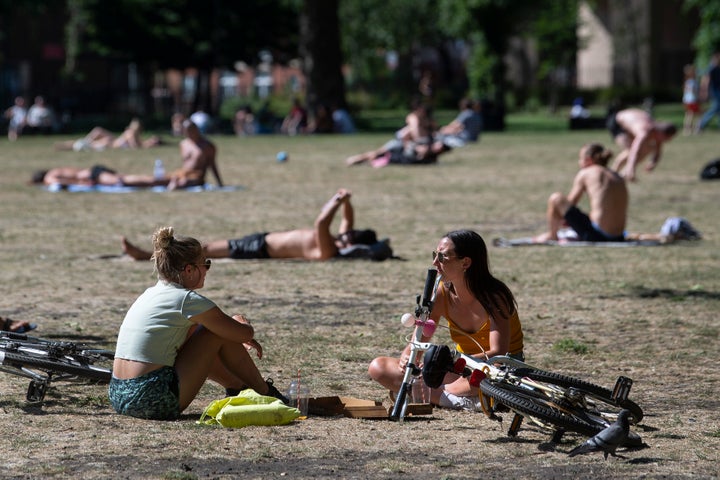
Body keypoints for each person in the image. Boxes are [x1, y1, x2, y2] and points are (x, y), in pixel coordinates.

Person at [109, 226, 288, 420]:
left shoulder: (149, 294)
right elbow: (243, 334)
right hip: (152, 399)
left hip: (119, 395)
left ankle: (237, 387)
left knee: (198, 331)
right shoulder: (187, 300)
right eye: (206, 264)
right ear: (189, 270)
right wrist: (240, 320)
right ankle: (266, 392)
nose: (207, 270)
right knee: (213, 332)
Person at [368, 229, 524, 411]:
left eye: (442, 257)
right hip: (460, 368)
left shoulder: (494, 296)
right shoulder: (442, 292)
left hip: (495, 370)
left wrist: (449, 363)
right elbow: (423, 334)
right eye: (435, 255)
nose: (435, 263)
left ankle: (443, 395)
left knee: (471, 381)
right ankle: (451, 396)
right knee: (378, 367)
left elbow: (498, 353)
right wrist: (409, 354)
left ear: (465, 262)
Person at [121, 189, 390, 262]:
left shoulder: (328, 248)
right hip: (261, 239)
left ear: (354, 244)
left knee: (204, 249)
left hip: (258, 249)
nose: (348, 232)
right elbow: (347, 221)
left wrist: (336, 200)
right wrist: (347, 202)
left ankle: (148, 255)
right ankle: (154, 253)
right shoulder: (338, 240)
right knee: (205, 248)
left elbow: (322, 221)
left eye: (352, 235)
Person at [533, 143, 628, 243]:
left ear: (588, 160)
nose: (579, 162)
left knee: (556, 199)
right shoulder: (616, 175)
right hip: (619, 236)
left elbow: (570, 203)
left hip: (597, 235)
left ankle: (552, 236)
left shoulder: (586, 172)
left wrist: (560, 219)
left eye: (580, 158)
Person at [346, 99, 442, 166]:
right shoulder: (413, 118)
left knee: (381, 154)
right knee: (379, 153)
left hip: (410, 144)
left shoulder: (427, 120)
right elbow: (413, 135)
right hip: (400, 142)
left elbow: (435, 131)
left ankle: (360, 160)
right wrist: (417, 145)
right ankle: (357, 159)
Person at [607, 108, 677, 182]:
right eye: (668, 138)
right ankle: (612, 173)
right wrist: (631, 169)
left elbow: (658, 149)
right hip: (617, 123)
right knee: (630, 150)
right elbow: (635, 150)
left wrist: (653, 163)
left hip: (629, 122)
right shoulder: (644, 131)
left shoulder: (657, 131)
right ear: (661, 133)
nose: (669, 140)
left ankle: (622, 174)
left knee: (646, 149)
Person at [54, 118, 162, 151]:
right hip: (107, 144)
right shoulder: (131, 133)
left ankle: (61, 145)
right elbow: (135, 147)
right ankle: (61, 146)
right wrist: (148, 144)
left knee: (84, 142)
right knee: (81, 144)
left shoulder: (133, 134)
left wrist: (149, 142)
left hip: (109, 143)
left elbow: (137, 144)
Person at [698, 51, 720, 132]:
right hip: (714, 92)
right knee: (715, 108)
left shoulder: (717, 68)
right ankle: (701, 123)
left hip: (718, 92)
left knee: (718, 109)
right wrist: (704, 92)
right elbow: (706, 80)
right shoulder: (712, 68)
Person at [682, 64, 700, 135]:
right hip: (692, 100)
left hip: (687, 100)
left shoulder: (687, 81)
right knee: (692, 115)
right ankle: (692, 129)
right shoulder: (692, 82)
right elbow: (693, 91)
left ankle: (687, 129)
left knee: (688, 115)